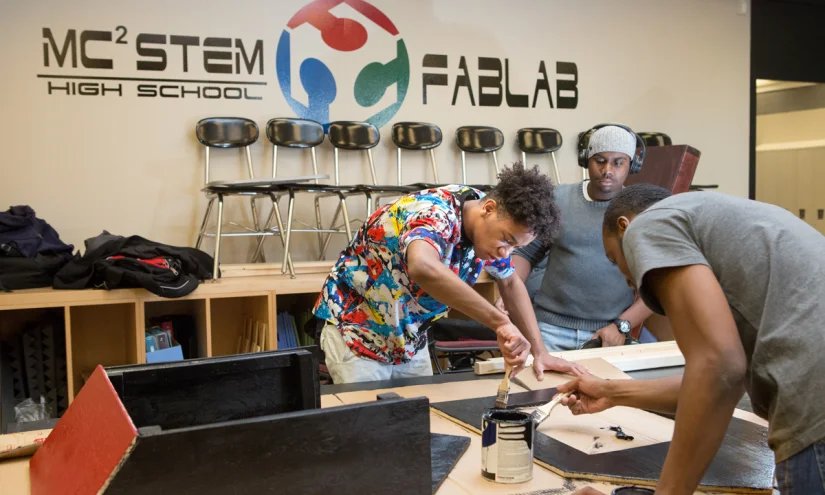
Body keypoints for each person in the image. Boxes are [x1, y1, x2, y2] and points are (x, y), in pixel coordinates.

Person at [559, 183, 825, 495]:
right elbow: (714, 383)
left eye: (614, 259)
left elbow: (719, 368)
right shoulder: (720, 228)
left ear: (624, 226)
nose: (627, 279)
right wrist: (610, 391)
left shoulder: (648, 226)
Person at [312, 164, 586, 384]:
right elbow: (423, 266)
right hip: (357, 338)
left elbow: (510, 281)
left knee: (418, 423)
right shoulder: (435, 213)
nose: (506, 252)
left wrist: (540, 352)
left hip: (409, 342)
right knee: (367, 429)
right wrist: (500, 323)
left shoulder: (490, 223)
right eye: (506, 240)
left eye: (515, 247)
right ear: (488, 209)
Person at [505, 124, 653, 351]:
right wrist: (509, 291)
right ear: (586, 160)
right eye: (600, 160)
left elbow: (656, 284)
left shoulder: (639, 211)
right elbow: (526, 252)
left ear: (632, 165)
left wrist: (622, 326)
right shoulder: (558, 199)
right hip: (549, 329)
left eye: (618, 162)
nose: (607, 170)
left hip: (607, 334)